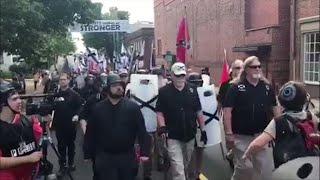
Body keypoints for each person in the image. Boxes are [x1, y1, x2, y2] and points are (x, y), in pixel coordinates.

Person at [223, 56, 280, 180]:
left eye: (259, 66)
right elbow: (227, 110)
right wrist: (228, 133)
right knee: (245, 167)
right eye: (254, 67)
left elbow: (275, 107)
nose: (258, 69)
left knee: (263, 168)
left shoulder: (266, 87)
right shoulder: (235, 87)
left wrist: (280, 126)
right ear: (246, 69)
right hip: (241, 136)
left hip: (261, 135)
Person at [84, 74, 150, 180]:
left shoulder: (133, 108)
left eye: (121, 85)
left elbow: (142, 130)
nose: (119, 88)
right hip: (105, 156)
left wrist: (144, 152)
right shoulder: (98, 109)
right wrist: (87, 153)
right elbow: (90, 132)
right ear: (108, 88)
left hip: (127, 155)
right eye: (115, 85)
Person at [243, 81, 319, 167]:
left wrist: (247, 153)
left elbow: (259, 143)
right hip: (310, 161)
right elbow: (314, 133)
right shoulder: (311, 116)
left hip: (288, 165)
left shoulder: (278, 121)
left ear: (281, 102)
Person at [156, 62, 207, 180]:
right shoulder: (164, 91)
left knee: (184, 164)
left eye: (182, 75)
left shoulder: (192, 90)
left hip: (190, 135)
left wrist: (203, 130)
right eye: (177, 75)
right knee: (178, 170)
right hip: (172, 135)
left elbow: (198, 111)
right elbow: (159, 112)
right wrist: (162, 127)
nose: (180, 78)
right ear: (171, 75)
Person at [0, 83, 43, 179]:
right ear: (2, 103)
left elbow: (36, 141)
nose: (20, 101)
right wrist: (28, 159)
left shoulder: (25, 120)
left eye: (19, 98)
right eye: (15, 99)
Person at [51, 73, 83, 176]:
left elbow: (81, 106)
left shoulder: (74, 94)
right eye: (60, 80)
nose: (62, 81)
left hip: (70, 125)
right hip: (59, 125)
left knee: (70, 145)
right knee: (61, 146)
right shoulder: (56, 94)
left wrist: (77, 115)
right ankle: (62, 166)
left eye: (64, 79)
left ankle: (71, 163)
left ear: (68, 81)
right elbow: (50, 106)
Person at [217, 59, 243, 167]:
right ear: (232, 71)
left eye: (242, 67)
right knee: (231, 140)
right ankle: (232, 154)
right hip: (229, 117)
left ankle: (235, 156)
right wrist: (216, 115)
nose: (240, 70)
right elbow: (220, 100)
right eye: (237, 68)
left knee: (241, 141)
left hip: (242, 117)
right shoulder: (225, 85)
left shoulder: (245, 83)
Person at [186, 72, 206, 180]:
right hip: (189, 127)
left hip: (201, 127)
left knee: (200, 150)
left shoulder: (205, 93)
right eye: (194, 83)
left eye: (198, 83)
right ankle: (191, 174)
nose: (197, 86)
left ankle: (197, 173)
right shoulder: (186, 93)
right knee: (190, 153)